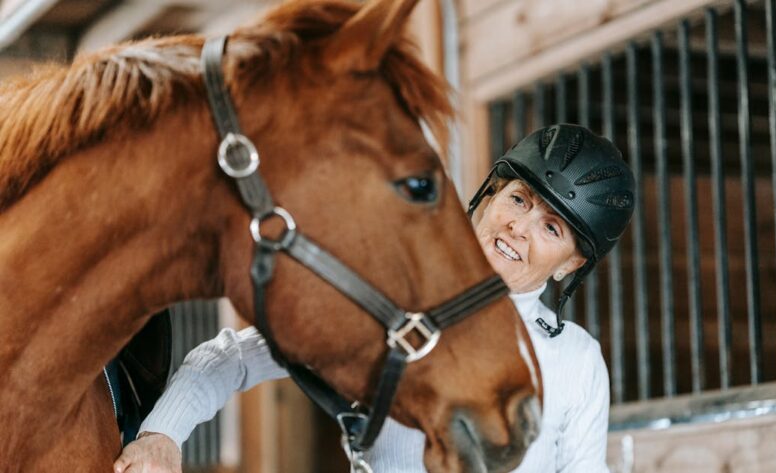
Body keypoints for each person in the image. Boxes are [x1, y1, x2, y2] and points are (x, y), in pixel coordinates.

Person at [113, 123, 636, 473]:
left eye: (549, 227)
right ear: (490, 194)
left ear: (571, 262)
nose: (518, 227)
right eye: (518, 199)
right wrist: (162, 433)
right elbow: (231, 358)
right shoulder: (389, 305)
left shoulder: (577, 359)